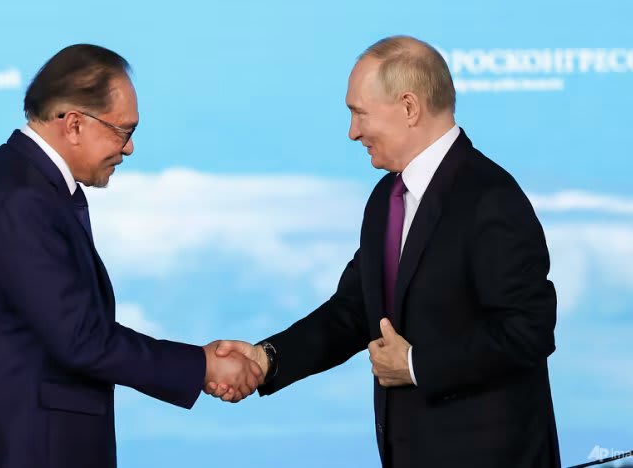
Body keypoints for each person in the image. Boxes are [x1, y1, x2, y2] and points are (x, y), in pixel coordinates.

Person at [211, 35, 561, 467]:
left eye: (359, 113)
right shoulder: (386, 198)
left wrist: (416, 364)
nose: (352, 132)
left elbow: (529, 330)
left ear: (409, 107)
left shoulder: (490, 197)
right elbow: (355, 310)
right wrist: (267, 359)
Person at [0, 44, 261, 468]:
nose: (129, 148)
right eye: (123, 131)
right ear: (74, 124)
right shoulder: (22, 197)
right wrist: (200, 366)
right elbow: (80, 339)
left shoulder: (17, 181)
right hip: (19, 449)